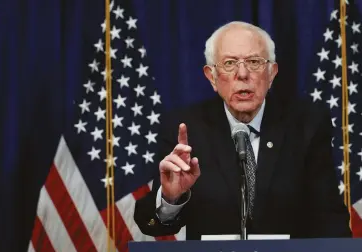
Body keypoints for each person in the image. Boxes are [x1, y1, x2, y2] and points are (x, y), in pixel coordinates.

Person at [134, 21, 351, 240]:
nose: (243, 73)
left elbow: (329, 219)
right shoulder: (185, 130)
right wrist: (170, 199)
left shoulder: (306, 126)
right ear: (212, 77)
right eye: (229, 63)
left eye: (254, 62)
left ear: (271, 73)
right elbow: (150, 224)